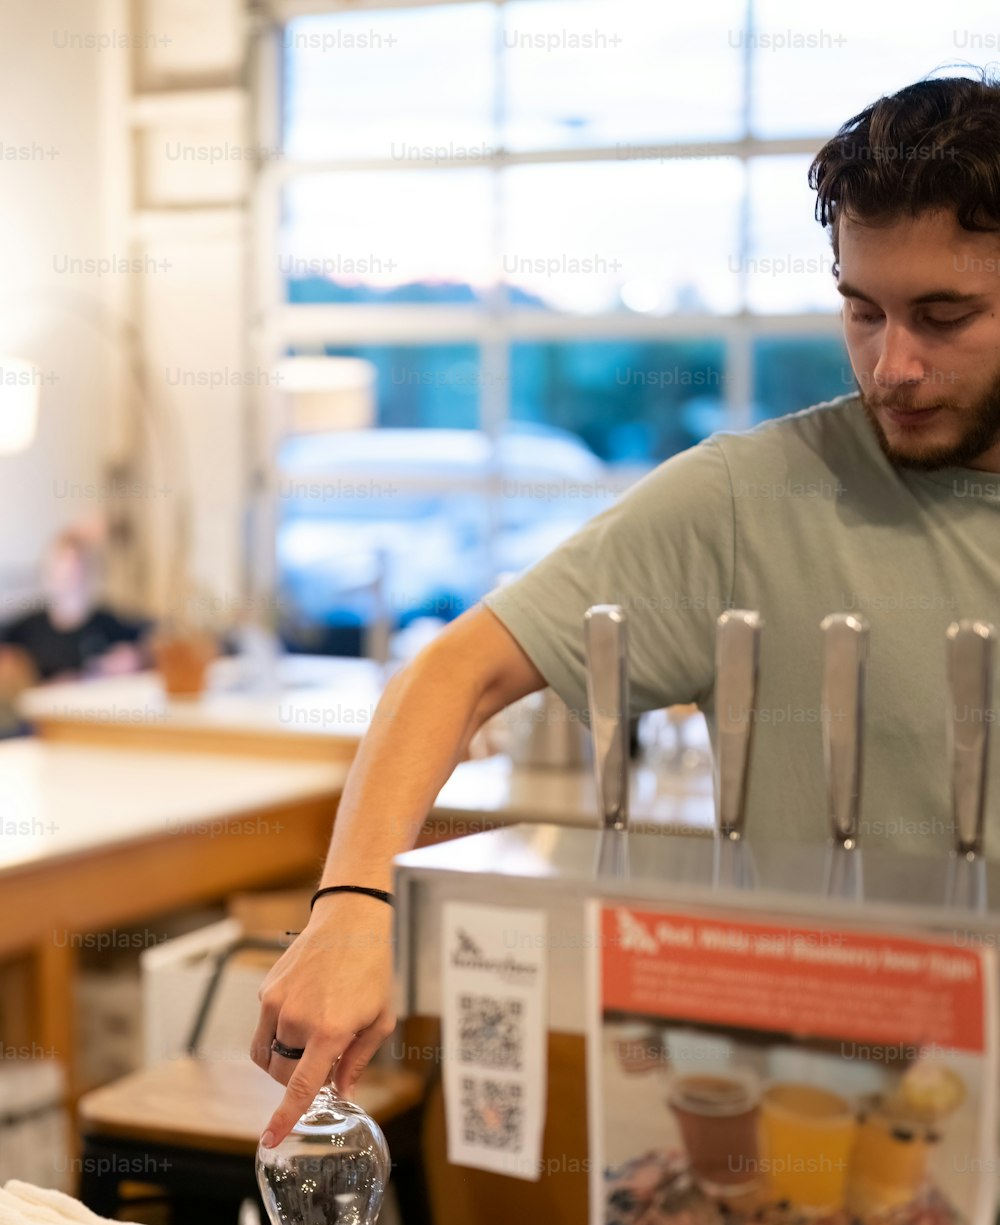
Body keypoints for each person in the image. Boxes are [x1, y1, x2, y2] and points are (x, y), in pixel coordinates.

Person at [253, 72, 1000, 1144]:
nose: (893, 362)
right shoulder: (759, 497)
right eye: (860, 309)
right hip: (829, 1177)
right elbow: (450, 672)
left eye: (944, 317)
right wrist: (352, 909)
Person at [0, 530, 149, 689]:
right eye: (62, 564)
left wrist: (136, 658)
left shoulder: (107, 623)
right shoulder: (28, 628)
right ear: (48, 571)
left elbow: (148, 642)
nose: (71, 573)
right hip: (43, 710)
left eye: (77, 565)